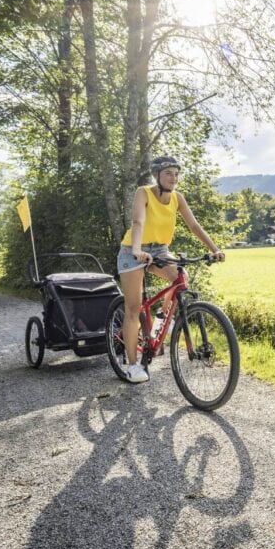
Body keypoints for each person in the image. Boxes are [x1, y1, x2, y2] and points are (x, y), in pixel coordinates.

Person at [115, 155, 224, 383]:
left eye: (176, 174)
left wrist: (214, 249)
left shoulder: (177, 198)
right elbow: (138, 223)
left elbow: (194, 225)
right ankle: (133, 365)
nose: (173, 178)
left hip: (160, 250)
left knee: (180, 278)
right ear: (157, 176)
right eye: (168, 173)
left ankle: (161, 321)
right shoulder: (143, 192)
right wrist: (136, 249)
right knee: (133, 308)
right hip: (132, 250)